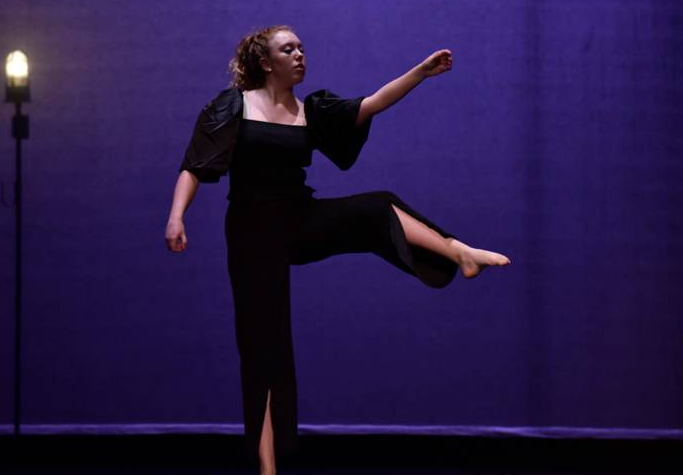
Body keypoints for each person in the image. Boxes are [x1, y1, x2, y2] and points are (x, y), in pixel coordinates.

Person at [165, 25, 510, 475]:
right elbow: (194, 166)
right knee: (264, 347)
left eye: (302, 47)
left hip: (299, 219)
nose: (300, 54)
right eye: (288, 49)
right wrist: (177, 216)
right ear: (266, 62)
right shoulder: (235, 104)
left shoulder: (311, 110)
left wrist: (420, 74)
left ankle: (458, 251)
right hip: (252, 232)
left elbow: (372, 104)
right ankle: (267, 465)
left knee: (374, 207)